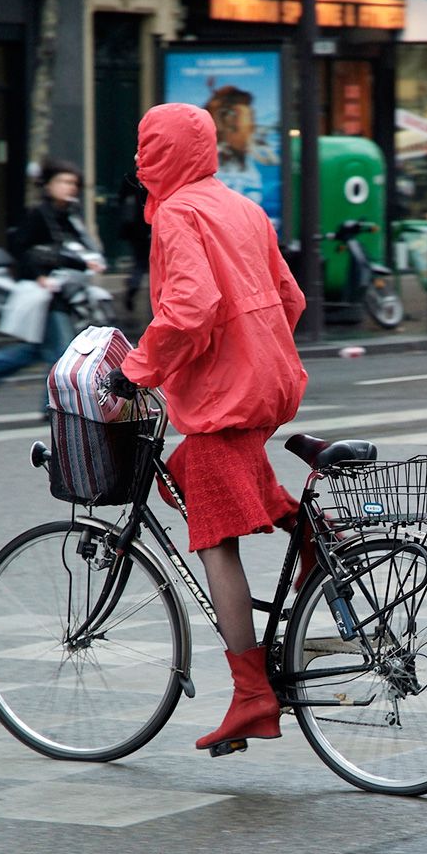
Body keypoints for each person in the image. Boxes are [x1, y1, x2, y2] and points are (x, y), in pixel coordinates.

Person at [106, 102, 307, 754]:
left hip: (228, 394)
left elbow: (192, 306)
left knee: (215, 540)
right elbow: (292, 298)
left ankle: (253, 695)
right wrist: (258, 348)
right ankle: (316, 542)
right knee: (200, 475)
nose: (139, 162)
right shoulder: (242, 206)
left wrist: (136, 371)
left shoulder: (177, 214)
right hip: (270, 382)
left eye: (145, 149)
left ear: (159, 156)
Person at [0, 159, 104, 411]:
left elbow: (72, 250)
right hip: (46, 294)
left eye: (73, 182)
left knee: (38, 350)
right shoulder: (40, 214)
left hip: (63, 290)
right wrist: (39, 275)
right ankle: (52, 407)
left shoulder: (69, 215)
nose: (69, 187)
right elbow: (21, 248)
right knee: (61, 352)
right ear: (48, 185)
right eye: (62, 181)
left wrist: (87, 262)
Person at [118, 171, 151, 313]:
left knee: (139, 262)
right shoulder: (150, 179)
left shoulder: (130, 178)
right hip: (148, 228)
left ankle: (133, 285)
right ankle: (135, 285)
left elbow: (121, 199)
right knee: (145, 263)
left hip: (134, 230)